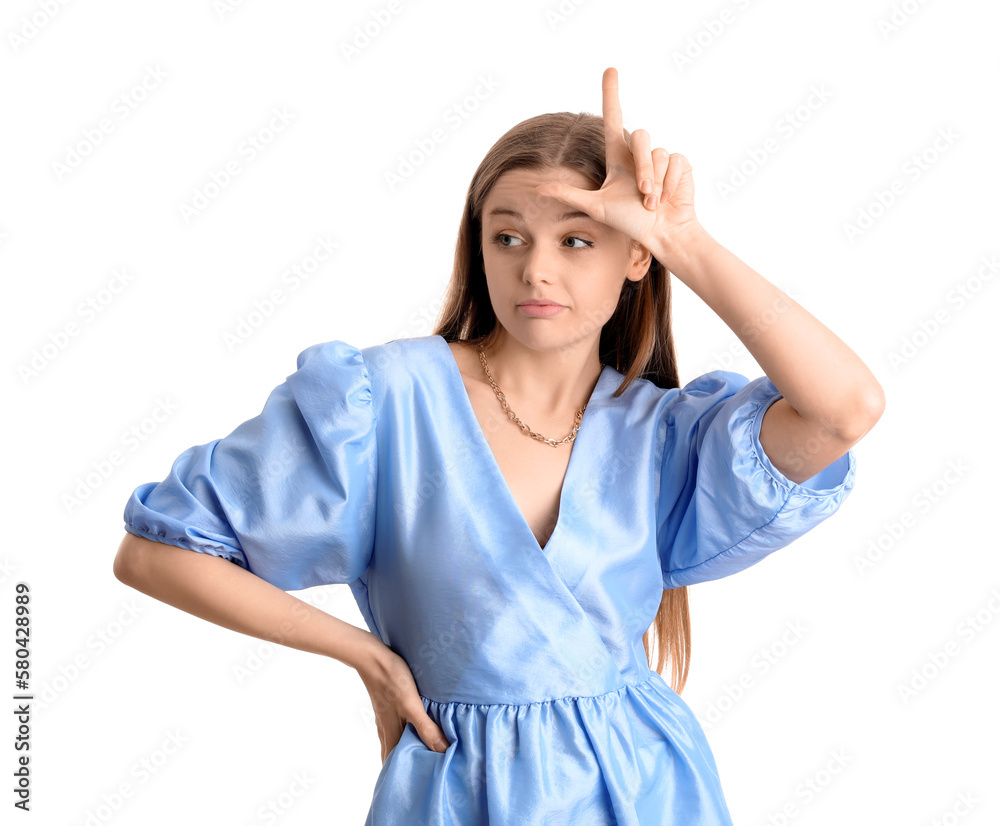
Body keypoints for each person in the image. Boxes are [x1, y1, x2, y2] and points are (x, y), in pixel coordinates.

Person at [113, 67, 885, 824]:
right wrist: (367, 657)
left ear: (636, 257)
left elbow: (846, 408)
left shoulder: (663, 436)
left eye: (579, 240)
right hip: (454, 791)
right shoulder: (382, 403)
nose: (536, 269)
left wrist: (685, 240)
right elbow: (156, 553)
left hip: (646, 791)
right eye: (508, 236)